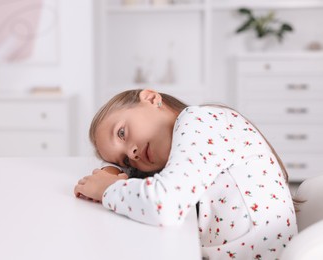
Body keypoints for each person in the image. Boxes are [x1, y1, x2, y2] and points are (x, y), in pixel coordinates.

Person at [74, 89, 297, 259]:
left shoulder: (198, 119)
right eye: (124, 159)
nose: (132, 154)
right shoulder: (194, 138)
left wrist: (107, 188)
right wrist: (113, 171)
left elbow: (165, 206)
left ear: (152, 98)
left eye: (122, 132)